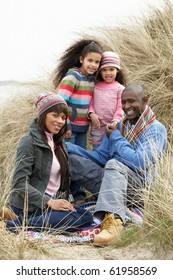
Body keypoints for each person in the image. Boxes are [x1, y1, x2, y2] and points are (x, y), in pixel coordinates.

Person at [67, 84, 167, 246]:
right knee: (71, 159)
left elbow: (139, 162)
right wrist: (69, 148)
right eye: (124, 102)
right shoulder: (119, 126)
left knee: (115, 164)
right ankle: (53, 202)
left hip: (139, 191)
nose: (127, 106)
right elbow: (100, 157)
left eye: (132, 101)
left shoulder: (155, 129)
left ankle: (113, 224)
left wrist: (115, 137)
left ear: (145, 100)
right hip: (112, 183)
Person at [5, 92, 93, 233]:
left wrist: (63, 202)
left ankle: (15, 220)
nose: (60, 121)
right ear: (42, 115)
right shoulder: (28, 142)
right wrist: (50, 202)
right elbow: (19, 184)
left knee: (86, 216)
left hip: (50, 206)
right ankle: (12, 225)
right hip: (31, 206)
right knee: (75, 218)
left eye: (64, 118)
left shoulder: (59, 142)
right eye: (55, 115)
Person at [53, 39, 103, 204]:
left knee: (78, 163)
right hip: (68, 128)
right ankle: (66, 196)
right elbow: (60, 101)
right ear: (82, 59)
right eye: (90, 60)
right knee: (67, 162)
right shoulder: (73, 76)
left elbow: (87, 104)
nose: (93, 65)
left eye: (97, 62)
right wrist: (65, 124)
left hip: (83, 129)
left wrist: (90, 115)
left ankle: (78, 196)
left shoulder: (91, 80)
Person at [88, 51, 126, 150]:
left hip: (112, 126)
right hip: (97, 126)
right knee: (97, 150)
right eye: (104, 70)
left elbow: (120, 107)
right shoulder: (95, 87)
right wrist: (92, 114)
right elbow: (90, 103)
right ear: (100, 71)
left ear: (117, 70)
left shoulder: (120, 88)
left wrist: (116, 120)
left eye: (111, 69)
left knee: (112, 148)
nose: (108, 73)